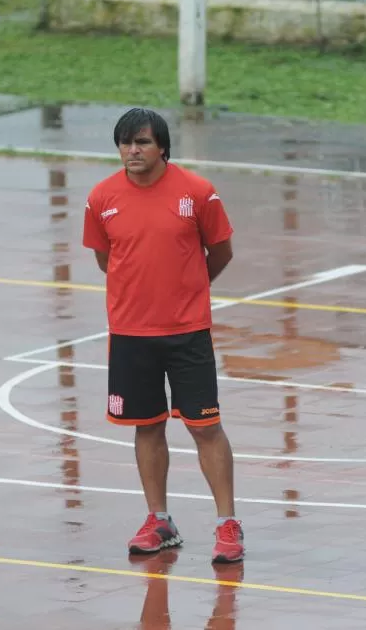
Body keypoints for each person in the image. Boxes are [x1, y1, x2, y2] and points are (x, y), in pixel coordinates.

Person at [82, 107, 244, 564]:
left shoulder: (198, 193)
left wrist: (190, 288)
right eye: (126, 143)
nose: (132, 151)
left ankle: (227, 524)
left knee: (205, 426)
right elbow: (105, 259)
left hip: (187, 332)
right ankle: (159, 520)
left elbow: (222, 249)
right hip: (130, 334)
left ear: (163, 148)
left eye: (143, 142)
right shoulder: (101, 198)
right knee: (147, 426)